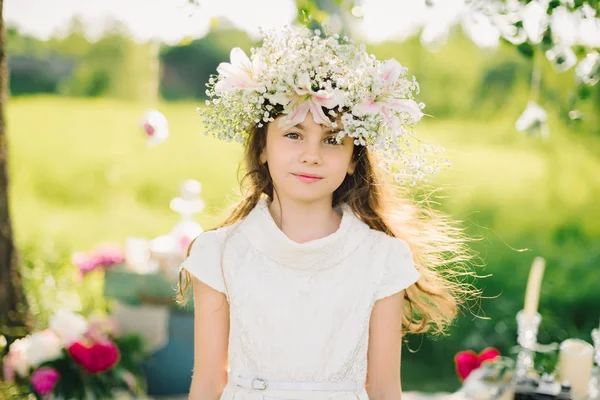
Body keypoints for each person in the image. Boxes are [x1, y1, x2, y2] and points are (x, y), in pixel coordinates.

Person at [178, 26, 477, 400]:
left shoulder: (382, 257)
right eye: (293, 134)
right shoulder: (220, 252)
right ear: (262, 148)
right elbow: (208, 382)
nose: (312, 154)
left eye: (333, 140)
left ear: (354, 160)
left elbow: (384, 389)